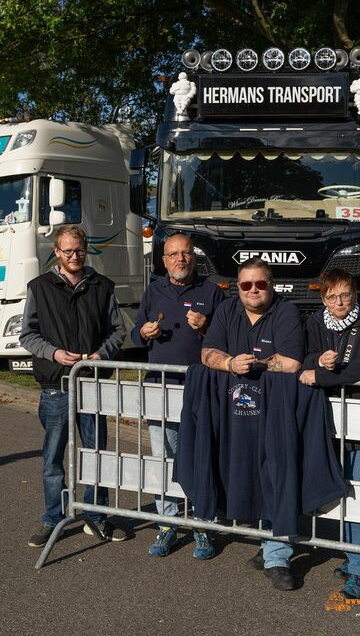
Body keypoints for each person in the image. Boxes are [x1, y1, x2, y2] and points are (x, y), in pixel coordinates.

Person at [201, 257, 305, 590]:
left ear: (271, 284)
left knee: (276, 475)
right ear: (237, 287)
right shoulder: (227, 310)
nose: (254, 290)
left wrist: (254, 364)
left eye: (261, 284)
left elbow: (291, 363)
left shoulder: (286, 312)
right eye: (247, 285)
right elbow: (206, 354)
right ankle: (262, 541)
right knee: (237, 472)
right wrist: (230, 361)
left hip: (276, 412)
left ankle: (277, 555)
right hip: (234, 412)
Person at [20, 225, 127, 547]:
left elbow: (118, 331)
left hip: (93, 385)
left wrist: (100, 354)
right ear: (56, 252)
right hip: (56, 386)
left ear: (86, 250)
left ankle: (96, 516)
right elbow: (27, 334)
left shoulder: (103, 286)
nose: (74, 256)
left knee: (97, 454)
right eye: (67, 251)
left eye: (79, 250)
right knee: (53, 457)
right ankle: (53, 517)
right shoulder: (39, 287)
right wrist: (52, 353)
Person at [299, 268, 360, 599]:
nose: (339, 302)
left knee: (358, 497)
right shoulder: (315, 323)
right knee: (339, 493)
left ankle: (359, 571)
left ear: (355, 294)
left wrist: (322, 376)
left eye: (345, 295)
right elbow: (302, 359)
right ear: (323, 298)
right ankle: (355, 558)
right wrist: (317, 359)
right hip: (331, 426)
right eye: (332, 296)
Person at [131, 233, 225, 559]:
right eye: (173, 254)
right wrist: (143, 332)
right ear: (164, 260)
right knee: (162, 456)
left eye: (185, 254)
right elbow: (136, 331)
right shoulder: (154, 289)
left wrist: (205, 327)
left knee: (200, 455)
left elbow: (226, 339)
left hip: (198, 389)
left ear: (194, 258)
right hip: (159, 385)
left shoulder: (211, 292)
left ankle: (202, 524)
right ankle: (167, 522)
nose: (180, 259)